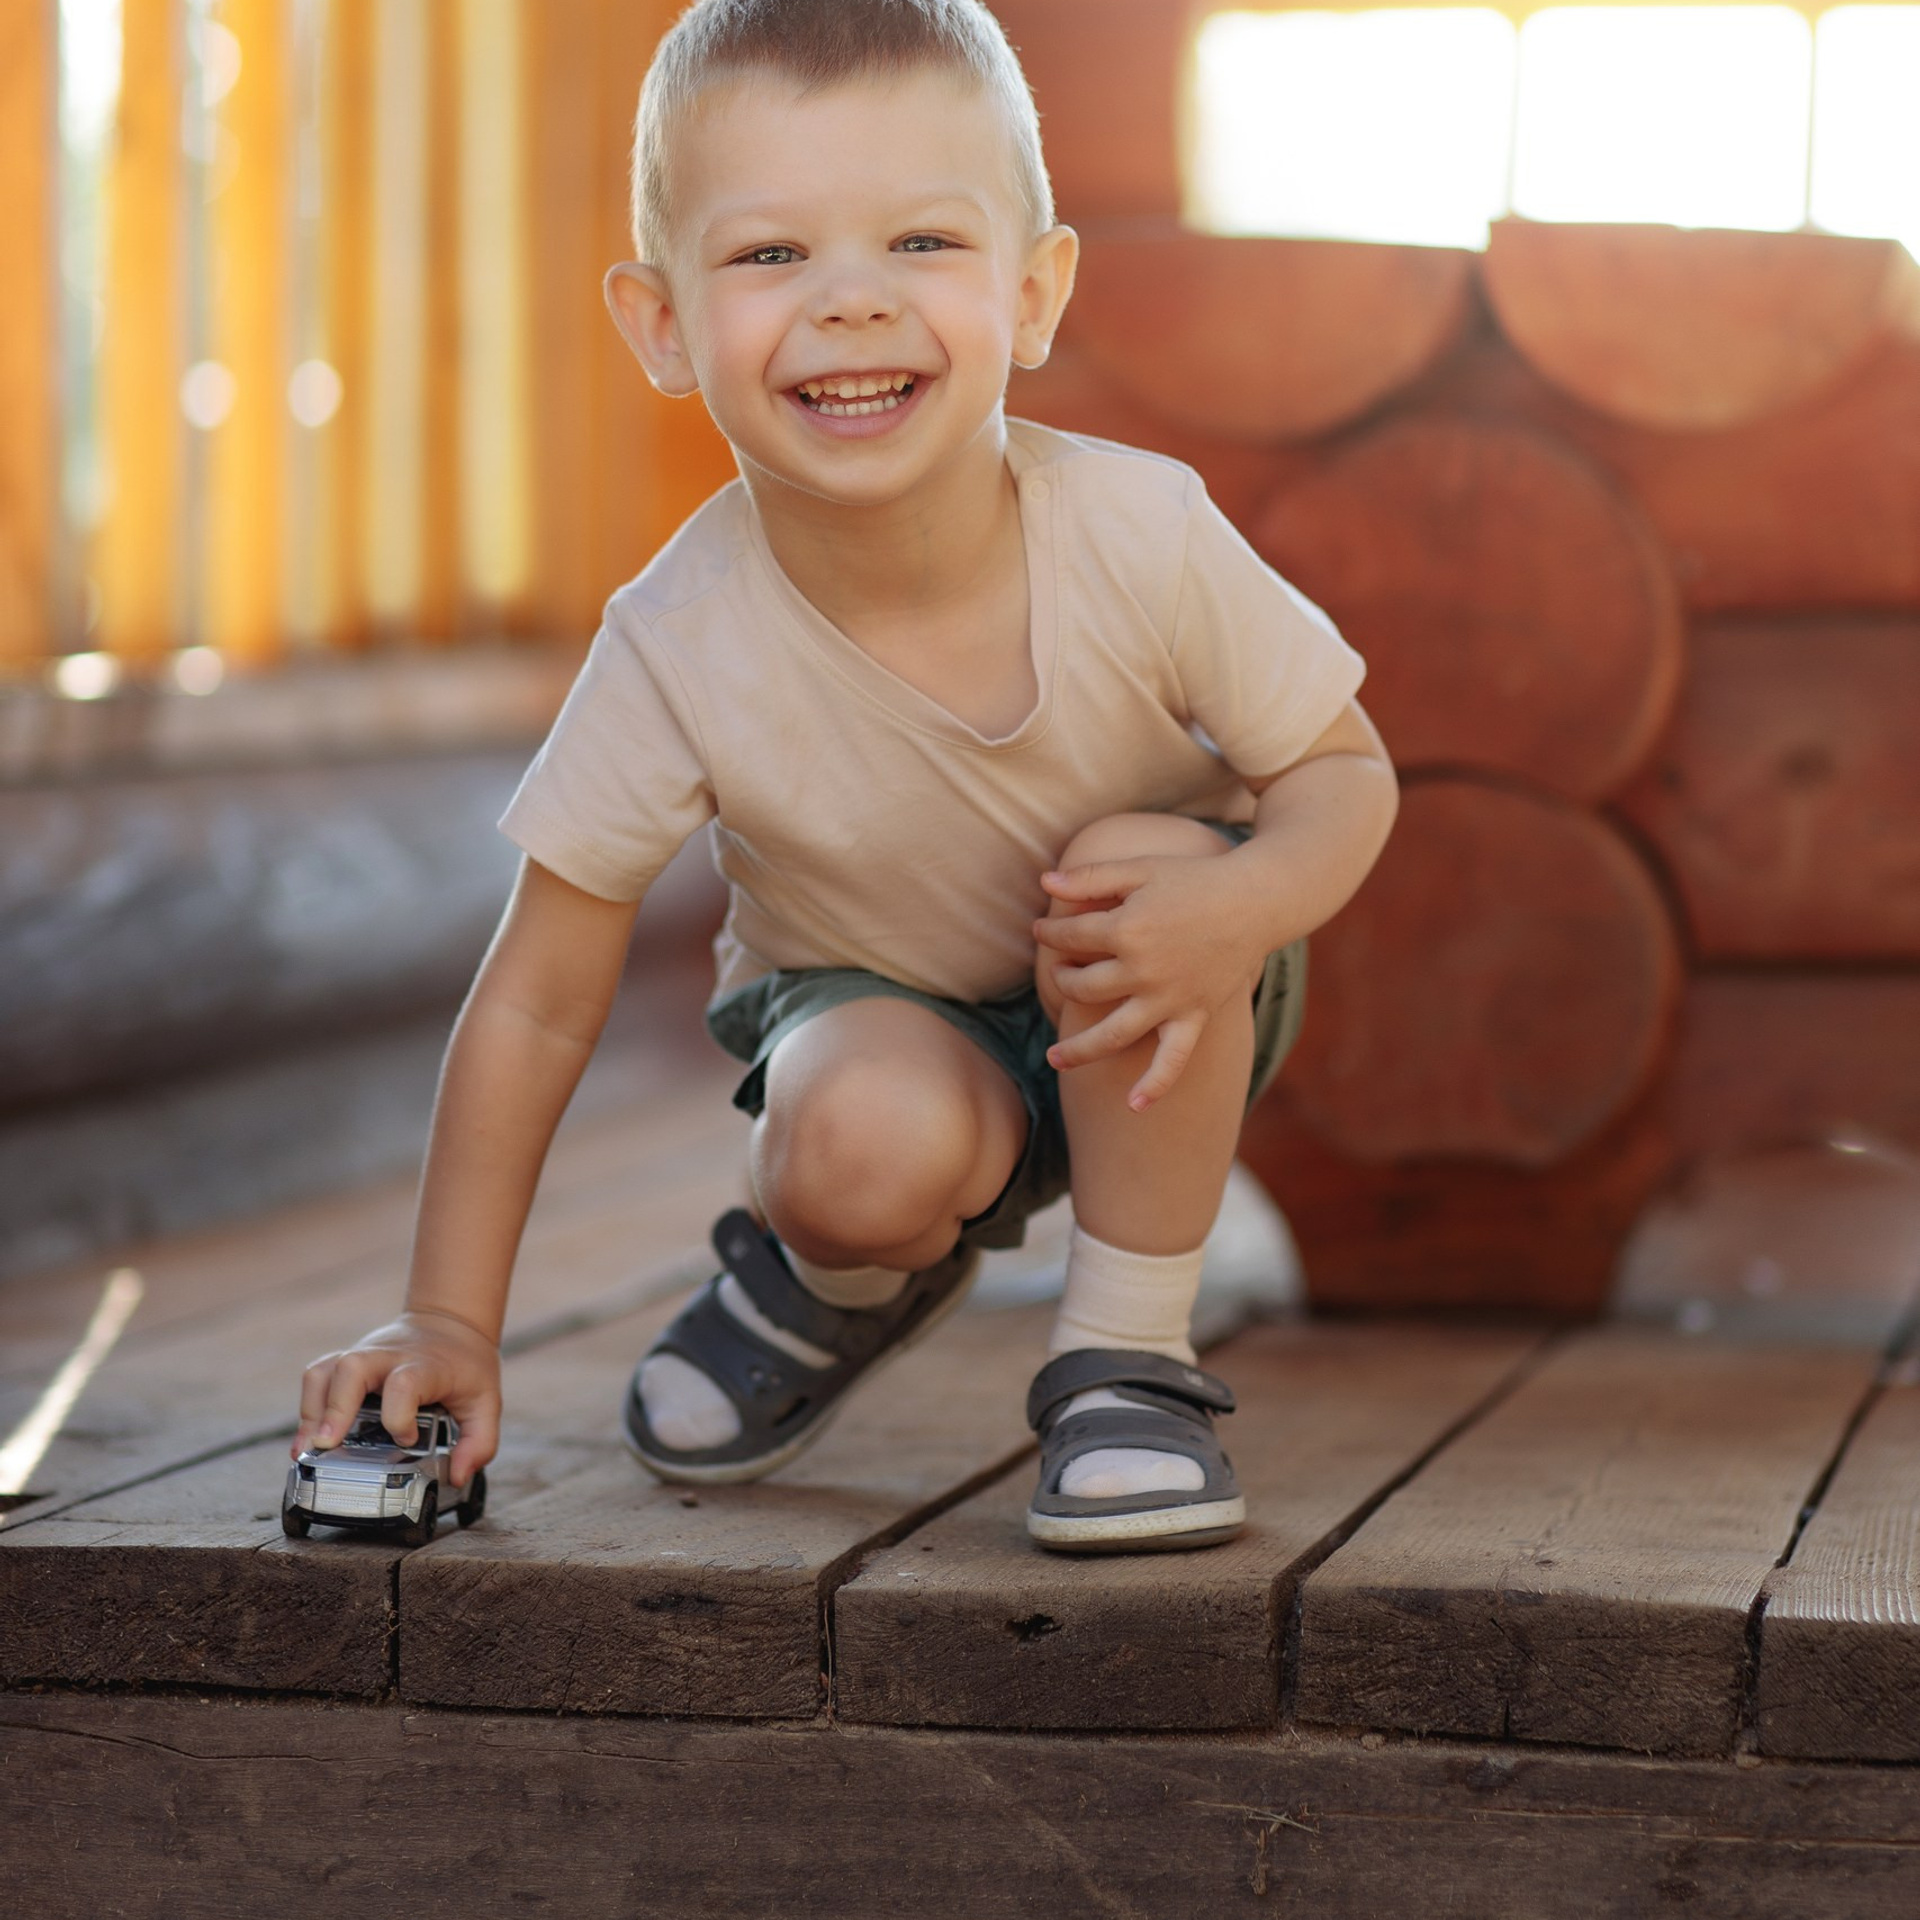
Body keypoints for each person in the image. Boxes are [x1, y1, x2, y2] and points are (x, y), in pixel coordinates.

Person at [292, 0, 1397, 1553]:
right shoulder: (676, 640)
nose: (852, 306)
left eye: (922, 244)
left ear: (1033, 290)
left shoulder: (1140, 532)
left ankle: (1129, 1361)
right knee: (864, 1144)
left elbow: (1345, 775)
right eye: (769, 256)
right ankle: (840, 1277)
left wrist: (1244, 905)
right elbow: (538, 996)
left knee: (1147, 850)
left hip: (1163, 999)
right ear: (662, 324)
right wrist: (444, 1317)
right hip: (877, 1036)